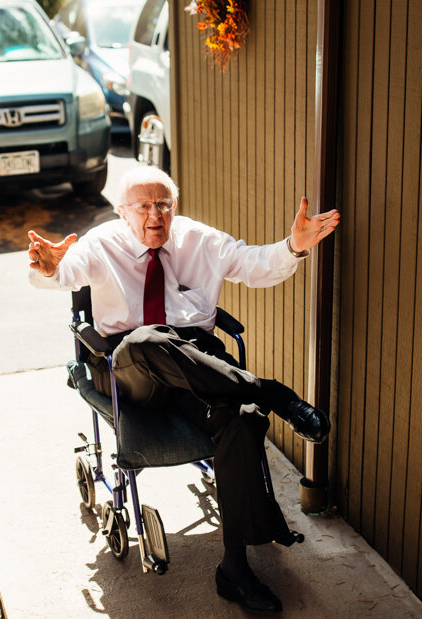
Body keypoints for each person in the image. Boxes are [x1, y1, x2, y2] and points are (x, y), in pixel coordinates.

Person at [27, 165, 340, 614]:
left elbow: (254, 264)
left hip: (196, 364)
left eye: (164, 205)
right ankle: (273, 392)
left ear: (175, 207)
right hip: (130, 364)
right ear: (122, 212)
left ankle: (234, 567)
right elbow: (65, 271)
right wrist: (49, 268)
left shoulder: (198, 239)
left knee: (243, 418)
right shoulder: (101, 243)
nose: (155, 215)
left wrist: (294, 246)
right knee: (149, 338)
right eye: (142, 207)